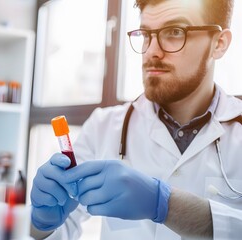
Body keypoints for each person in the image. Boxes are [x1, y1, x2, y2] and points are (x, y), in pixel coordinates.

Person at [30, 0, 242, 239]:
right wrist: (42, 225)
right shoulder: (104, 126)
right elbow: (62, 228)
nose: (151, 50)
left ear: (219, 44)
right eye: (145, 34)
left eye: (174, 32)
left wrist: (166, 205)